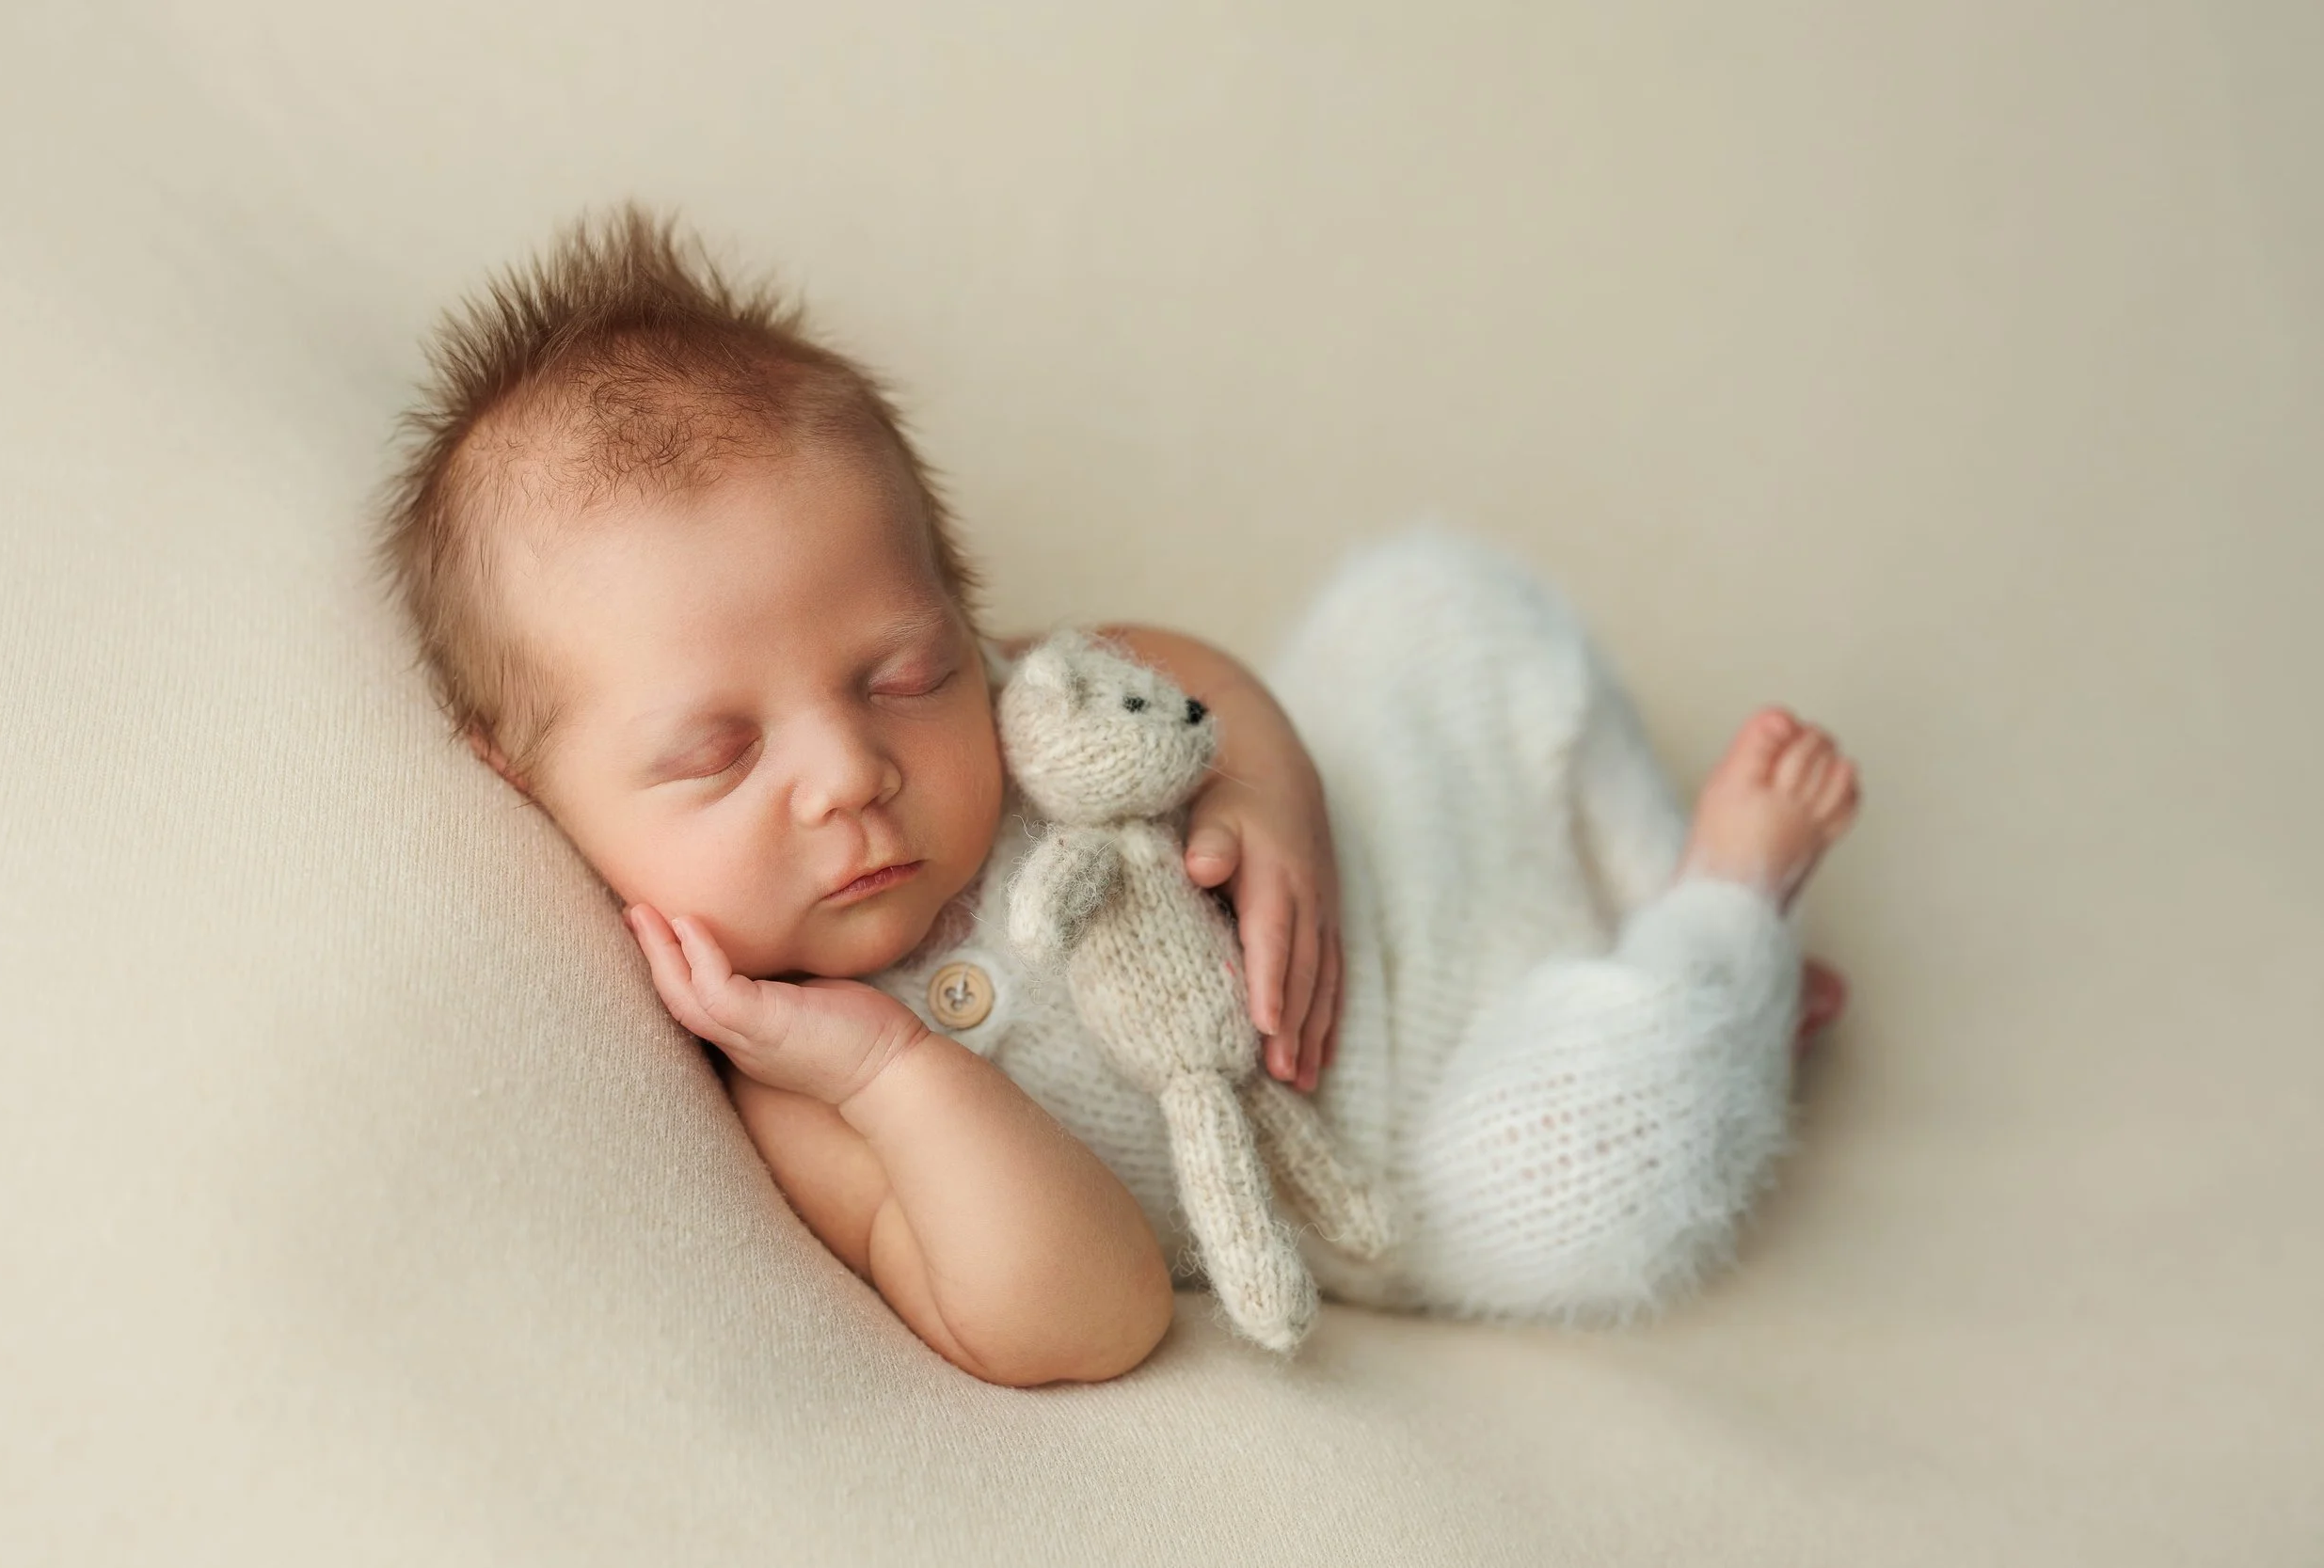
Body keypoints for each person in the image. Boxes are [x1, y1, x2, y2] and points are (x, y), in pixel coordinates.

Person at [374, 204, 1859, 1387]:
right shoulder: (801, 1095)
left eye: (899, 670)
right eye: (717, 754)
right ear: (534, 790)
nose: (849, 770)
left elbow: (1166, 668)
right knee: (1579, 1182)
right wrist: (888, 1067)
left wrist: (1274, 796)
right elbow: (1079, 1314)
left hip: (1416, 853)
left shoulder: (1010, 701)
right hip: (1434, 1112)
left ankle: (1654, 895)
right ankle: (1719, 922)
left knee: (1432, 600)